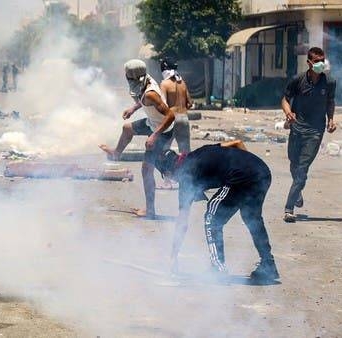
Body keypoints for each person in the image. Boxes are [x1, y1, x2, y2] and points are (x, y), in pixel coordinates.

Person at [155, 140, 280, 281]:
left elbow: (182, 222)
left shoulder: (186, 176)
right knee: (252, 217)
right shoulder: (198, 152)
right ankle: (268, 264)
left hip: (242, 176)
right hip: (261, 171)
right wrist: (245, 164)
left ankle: (218, 268)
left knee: (212, 218)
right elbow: (236, 144)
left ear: (169, 172)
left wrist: (172, 257)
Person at [99, 59, 175, 218]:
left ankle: (150, 210)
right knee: (127, 128)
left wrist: (154, 136)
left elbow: (170, 115)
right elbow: (143, 98)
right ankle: (116, 154)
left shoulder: (151, 94)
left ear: (131, 77)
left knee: (146, 170)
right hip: (152, 123)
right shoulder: (144, 81)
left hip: (162, 130)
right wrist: (133, 109)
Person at [281, 47, 337, 223]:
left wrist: (331, 119)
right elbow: (284, 99)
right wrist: (288, 113)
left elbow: (330, 101)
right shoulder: (298, 80)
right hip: (297, 128)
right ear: (309, 63)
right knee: (293, 163)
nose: (321, 64)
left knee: (302, 170)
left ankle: (288, 208)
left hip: (315, 131)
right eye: (317, 61)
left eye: (323, 60)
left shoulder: (329, 82)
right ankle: (297, 193)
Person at [160, 57, 192, 153]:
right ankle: (186, 168)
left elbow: (162, 105)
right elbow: (189, 103)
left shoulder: (164, 84)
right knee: (185, 151)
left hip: (171, 120)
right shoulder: (182, 83)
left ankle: (167, 168)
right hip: (184, 119)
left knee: (163, 149)